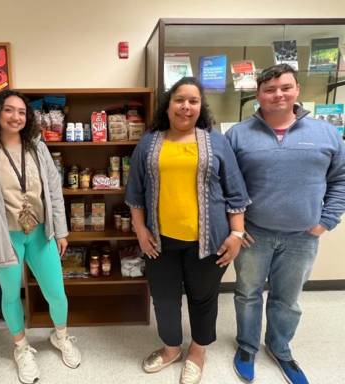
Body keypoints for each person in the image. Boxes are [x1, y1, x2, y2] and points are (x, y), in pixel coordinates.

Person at [125, 77, 250, 384]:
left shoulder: (216, 142)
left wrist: (236, 235)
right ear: (168, 106)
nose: (186, 106)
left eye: (193, 101)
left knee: (202, 298)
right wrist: (140, 230)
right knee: (164, 298)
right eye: (180, 100)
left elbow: (235, 192)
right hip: (159, 240)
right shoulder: (149, 143)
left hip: (209, 241)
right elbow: (136, 192)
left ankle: (197, 351)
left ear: (200, 107)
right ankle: (170, 349)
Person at [226, 64, 345, 384]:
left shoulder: (326, 133)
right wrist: (237, 227)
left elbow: (341, 180)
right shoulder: (237, 134)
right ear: (258, 94)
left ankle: (280, 348)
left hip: (303, 237)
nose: (278, 94)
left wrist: (326, 221)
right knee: (247, 293)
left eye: (285, 87)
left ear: (297, 91)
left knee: (287, 299)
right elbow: (226, 186)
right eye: (269, 89)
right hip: (254, 235)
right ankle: (247, 346)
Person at [0, 89, 81, 384]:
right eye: (9, 110)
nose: (16, 117)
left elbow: (53, 189)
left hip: (40, 232)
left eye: (22, 112)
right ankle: (21, 347)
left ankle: (61, 336)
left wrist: (61, 230)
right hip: (5, 237)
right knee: (11, 296)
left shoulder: (37, 147)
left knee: (56, 292)